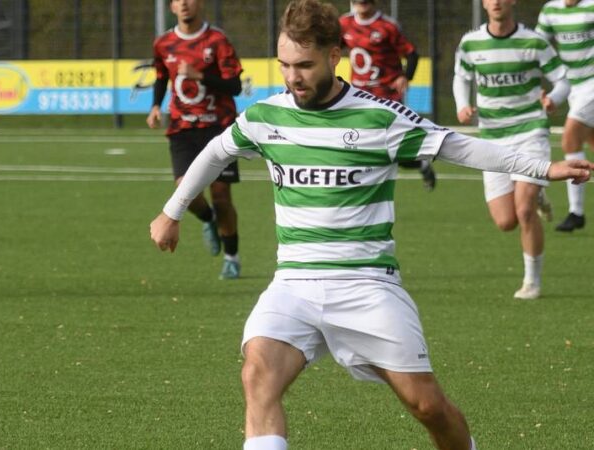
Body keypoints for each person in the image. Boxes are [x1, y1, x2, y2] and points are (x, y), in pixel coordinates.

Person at [149, 1, 593, 448]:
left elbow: (458, 147)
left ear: (334, 55)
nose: (292, 77)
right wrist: (172, 211)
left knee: (428, 407)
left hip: (366, 285)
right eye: (284, 65)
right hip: (294, 283)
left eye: (304, 65)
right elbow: (215, 151)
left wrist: (541, 168)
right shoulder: (267, 117)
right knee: (258, 375)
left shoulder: (380, 118)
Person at [453, 0, 569, 299]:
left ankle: (532, 281)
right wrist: (462, 105)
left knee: (525, 210)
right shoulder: (471, 43)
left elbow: (562, 79)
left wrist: (554, 98)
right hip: (492, 137)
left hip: (530, 131)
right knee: (506, 221)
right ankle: (537, 190)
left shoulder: (533, 41)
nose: (497, 2)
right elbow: (461, 77)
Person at [147, 0, 244, 279]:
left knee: (222, 196)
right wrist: (155, 106)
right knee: (184, 191)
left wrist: (199, 76)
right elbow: (161, 76)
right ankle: (208, 219)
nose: (185, 4)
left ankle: (232, 257)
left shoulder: (217, 40)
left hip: (218, 126)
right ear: (172, 7)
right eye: (179, 0)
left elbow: (235, 86)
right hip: (182, 129)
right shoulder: (164, 43)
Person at [339, 0, 437, 191]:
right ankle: (360, 186)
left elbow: (412, 54)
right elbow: (331, 48)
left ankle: (421, 164)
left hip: (387, 98)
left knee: (391, 149)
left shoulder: (387, 26)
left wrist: (405, 77)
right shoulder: (344, 24)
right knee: (357, 143)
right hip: (358, 97)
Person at [537, 0, 594, 232]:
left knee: (570, 138)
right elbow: (536, 45)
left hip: (592, 83)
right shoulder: (551, 10)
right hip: (572, 86)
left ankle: (576, 212)